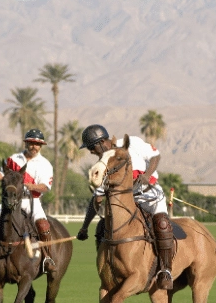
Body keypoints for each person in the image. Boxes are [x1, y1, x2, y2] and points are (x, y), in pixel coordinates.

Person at [75, 124, 174, 290]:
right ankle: (108, 267)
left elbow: (155, 156)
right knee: (102, 228)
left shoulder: (132, 143)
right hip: (126, 204)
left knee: (162, 223)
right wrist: (84, 228)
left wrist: (147, 175)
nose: (91, 152)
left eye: (91, 148)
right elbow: (97, 198)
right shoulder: (103, 164)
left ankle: (165, 270)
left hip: (150, 196)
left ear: (101, 143)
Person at [0, 129, 56, 272]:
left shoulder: (45, 164)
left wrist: (30, 186)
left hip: (31, 200)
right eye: (31, 143)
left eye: (37, 144)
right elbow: (3, 176)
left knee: (43, 225)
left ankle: (47, 258)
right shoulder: (13, 159)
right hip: (11, 199)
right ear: (26, 143)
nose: (34, 146)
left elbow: (45, 187)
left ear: (41, 146)